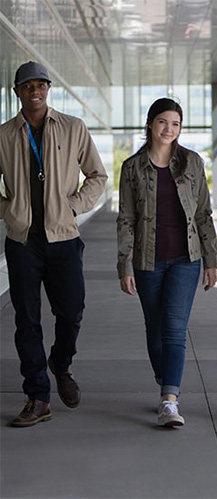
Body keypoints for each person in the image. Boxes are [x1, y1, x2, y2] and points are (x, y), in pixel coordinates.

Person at [0, 61, 108, 427]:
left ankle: (61, 363)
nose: (35, 91)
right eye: (27, 86)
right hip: (22, 241)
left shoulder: (73, 128)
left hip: (63, 238)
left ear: (49, 90)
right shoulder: (3, 134)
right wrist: (9, 211)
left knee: (72, 310)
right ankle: (38, 396)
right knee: (27, 319)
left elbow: (97, 175)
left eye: (41, 85)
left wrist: (73, 206)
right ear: (17, 92)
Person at [117, 98, 217, 427]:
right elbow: (126, 220)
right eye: (163, 122)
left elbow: (203, 213)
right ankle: (166, 378)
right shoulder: (132, 168)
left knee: (174, 329)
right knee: (154, 328)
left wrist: (211, 260)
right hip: (147, 261)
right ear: (150, 124)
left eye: (175, 124)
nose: (169, 129)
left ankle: (169, 400)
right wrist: (124, 265)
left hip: (186, 260)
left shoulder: (192, 162)